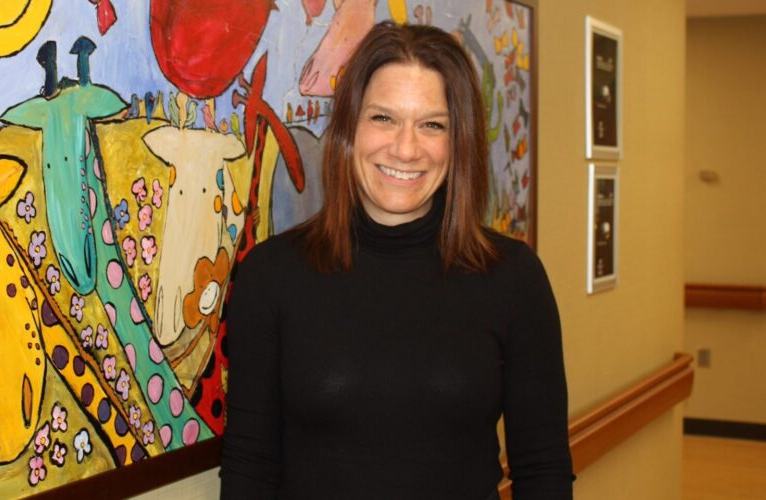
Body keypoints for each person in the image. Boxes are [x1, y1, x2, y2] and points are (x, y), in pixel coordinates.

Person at [220, 21, 573, 500]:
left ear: (459, 141)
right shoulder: (271, 276)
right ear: (349, 128)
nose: (406, 148)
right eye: (383, 118)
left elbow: (544, 470)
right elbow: (249, 467)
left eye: (432, 125)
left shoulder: (513, 278)